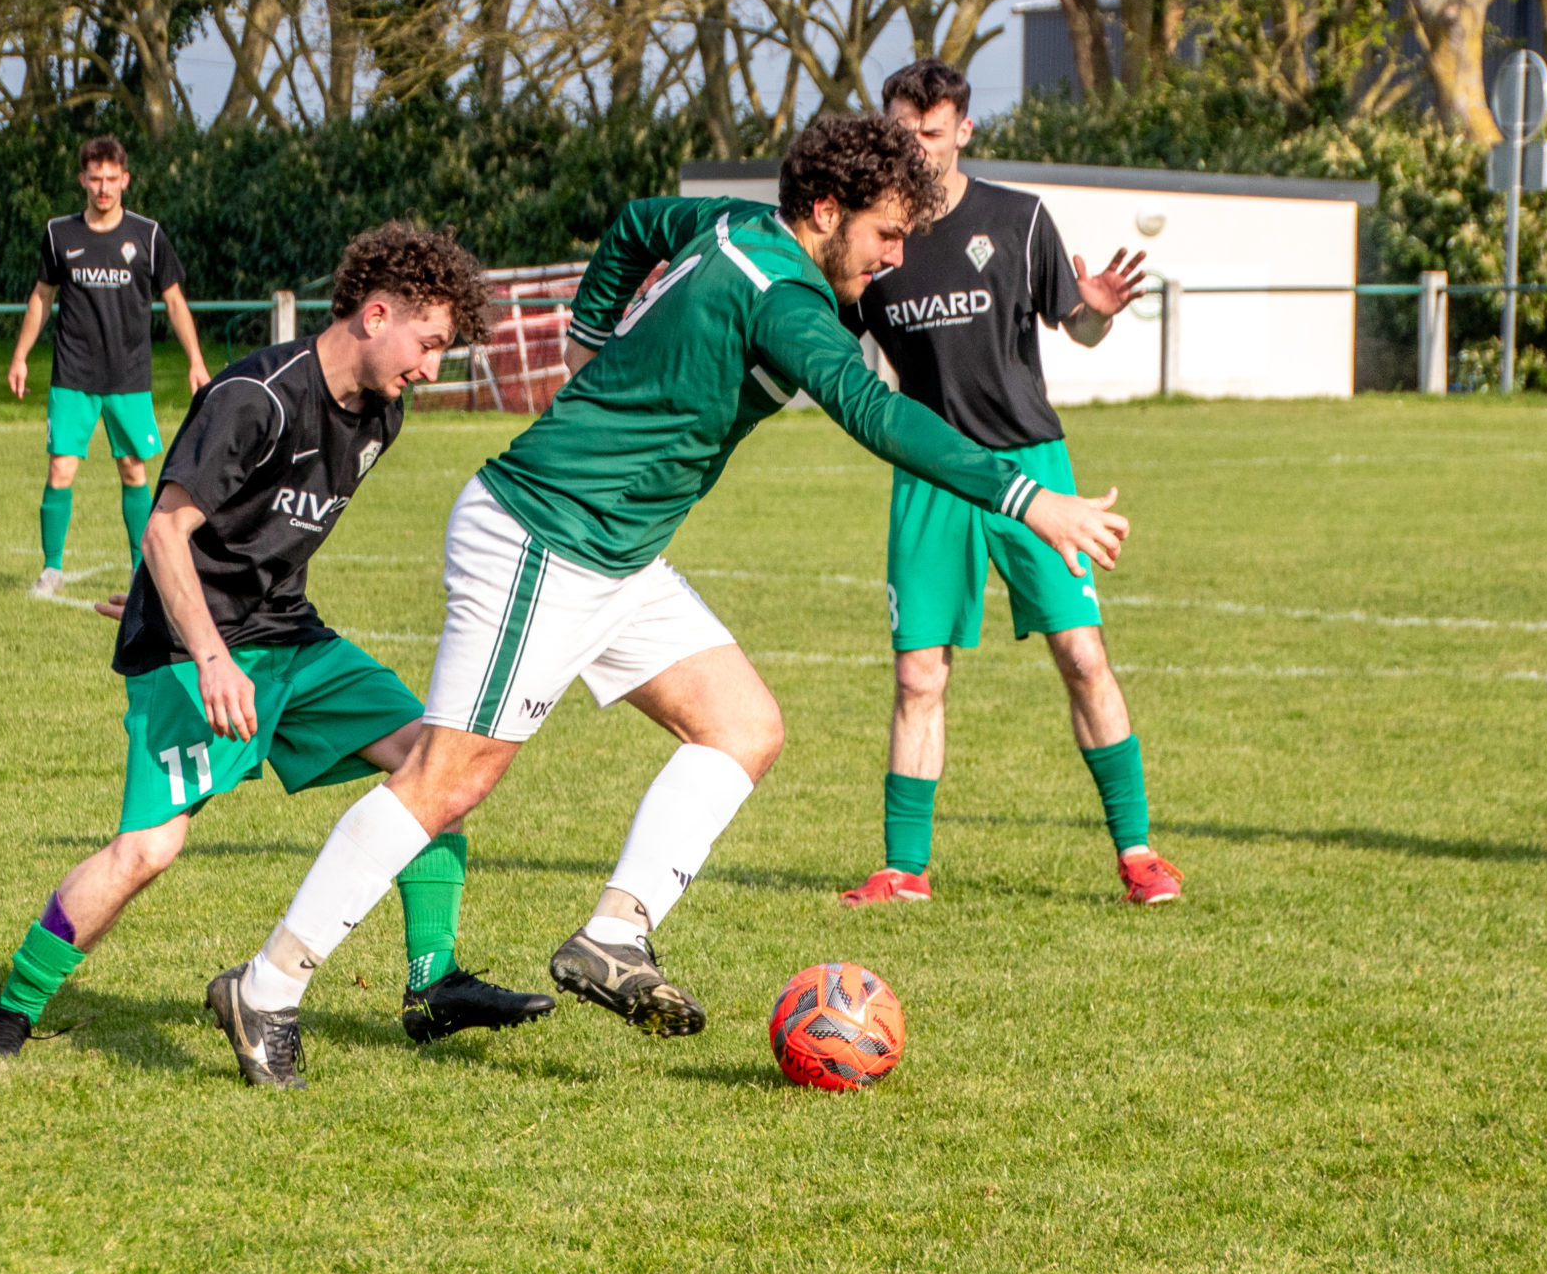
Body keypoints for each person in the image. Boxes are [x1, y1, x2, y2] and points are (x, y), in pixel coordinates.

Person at [200, 116, 1134, 1088]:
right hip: (544, 536)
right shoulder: (784, 297)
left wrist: (591, 335)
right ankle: (266, 985)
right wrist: (1032, 499)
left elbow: (640, 222)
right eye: (887, 234)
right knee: (447, 780)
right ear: (825, 211)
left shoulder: (733, 225)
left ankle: (614, 933)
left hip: (617, 555)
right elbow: (874, 410)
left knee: (743, 726)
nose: (896, 257)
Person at [0, 225, 553, 1068]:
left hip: (288, 637)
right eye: (427, 343)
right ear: (376, 315)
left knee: (440, 768)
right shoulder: (255, 397)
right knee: (149, 848)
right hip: (193, 653)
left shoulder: (381, 414)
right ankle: (11, 1008)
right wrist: (205, 650)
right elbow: (165, 529)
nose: (430, 367)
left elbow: (250, 536)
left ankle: (434, 983)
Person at [838, 60, 1180, 908]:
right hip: (930, 472)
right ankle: (903, 869)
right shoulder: (873, 238)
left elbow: (1080, 327)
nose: (918, 146)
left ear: (963, 130)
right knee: (919, 675)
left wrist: (1097, 310)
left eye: (932, 131)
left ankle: (1139, 855)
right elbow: (824, 337)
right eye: (904, 132)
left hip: (1034, 468)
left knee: (1083, 655)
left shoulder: (1019, 219)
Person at [5, 138, 211, 598]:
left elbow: (175, 302)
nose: (103, 187)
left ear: (125, 180)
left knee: (133, 470)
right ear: (82, 180)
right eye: (95, 178)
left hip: (128, 377)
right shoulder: (60, 234)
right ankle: (51, 569)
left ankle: (141, 570)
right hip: (72, 375)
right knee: (60, 469)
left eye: (111, 178)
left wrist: (196, 360)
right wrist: (19, 356)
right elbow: (41, 297)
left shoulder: (148, 235)